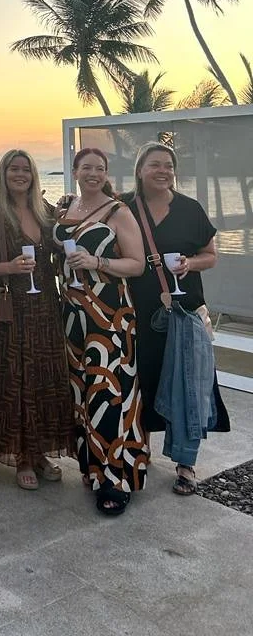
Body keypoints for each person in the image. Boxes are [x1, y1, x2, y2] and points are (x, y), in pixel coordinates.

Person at [121, 142, 230, 495]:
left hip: (185, 311)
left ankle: (185, 463)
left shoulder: (189, 209)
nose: (163, 171)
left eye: (168, 165)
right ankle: (141, 451)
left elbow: (210, 255)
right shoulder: (124, 207)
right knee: (142, 381)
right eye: (155, 164)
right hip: (138, 311)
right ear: (140, 170)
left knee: (189, 386)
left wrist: (190, 263)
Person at [54, 147, 148, 515]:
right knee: (81, 388)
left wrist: (97, 261)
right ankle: (91, 467)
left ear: (106, 173)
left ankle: (116, 478)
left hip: (109, 310)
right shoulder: (67, 207)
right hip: (72, 310)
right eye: (86, 167)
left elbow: (137, 264)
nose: (93, 173)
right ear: (75, 171)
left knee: (109, 391)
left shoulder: (118, 211)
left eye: (100, 168)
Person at [0, 150, 74, 489]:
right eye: (14, 169)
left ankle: (40, 452)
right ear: (3, 174)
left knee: (46, 376)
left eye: (26, 169)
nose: (20, 174)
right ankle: (22, 456)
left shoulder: (45, 211)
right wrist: (8, 267)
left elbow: (63, 246)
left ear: (34, 175)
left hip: (47, 304)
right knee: (17, 378)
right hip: (15, 307)